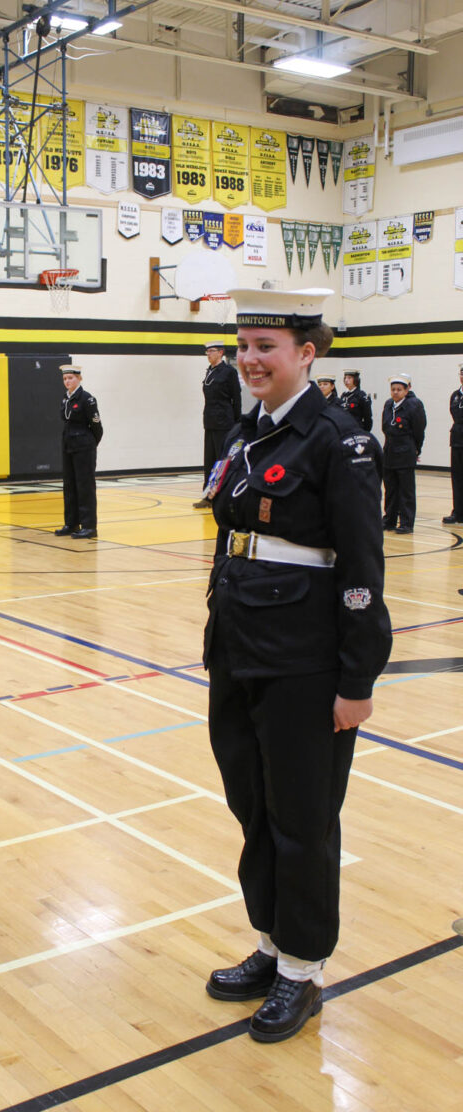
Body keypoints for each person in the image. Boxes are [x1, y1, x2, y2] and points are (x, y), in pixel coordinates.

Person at [202, 287, 392, 1044]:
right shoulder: (249, 435)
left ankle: (305, 970)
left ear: (306, 354)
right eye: (243, 347)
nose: (250, 359)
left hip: (306, 662)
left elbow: (361, 570)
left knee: (303, 821)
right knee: (253, 807)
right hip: (241, 649)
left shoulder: (336, 440)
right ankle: (274, 944)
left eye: (266, 348)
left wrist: (357, 679)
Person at [53, 363, 103, 539]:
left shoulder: (87, 399)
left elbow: (97, 427)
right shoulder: (65, 399)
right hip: (68, 445)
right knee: (70, 485)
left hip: (84, 446)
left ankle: (89, 526)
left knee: (85, 486)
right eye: (65, 378)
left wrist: (89, 445)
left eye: (71, 378)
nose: (67, 381)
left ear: (79, 378)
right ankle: (72, 523)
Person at [193, 342, 242, 509]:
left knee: (222, 461)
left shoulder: (229, 372)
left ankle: (223, 495)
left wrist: (237, 423)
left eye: (211, 351)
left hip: (225, 421)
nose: (208, 354)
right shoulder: (210, 371)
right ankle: (207, 495)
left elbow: (236, 398)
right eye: (207, 351)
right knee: (209, 460)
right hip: (210, 421)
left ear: (221, 352)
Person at [381, 373, 426, 534]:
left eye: (399, 389)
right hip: (390, 451)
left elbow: (419, 429)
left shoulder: (414, 405)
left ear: (407, 390)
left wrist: (416, 449)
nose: (395, 392)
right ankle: (390, 520)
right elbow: (385, 426)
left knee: (406, 490)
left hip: (405, 450)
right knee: (390, 488)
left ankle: (406, 522)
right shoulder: (388, 404)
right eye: (393, 389)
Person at [442, 363, 463, 524]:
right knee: (456, 478)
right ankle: (458, 512)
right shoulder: (455, 395)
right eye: (461, 373)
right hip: (456, 441)